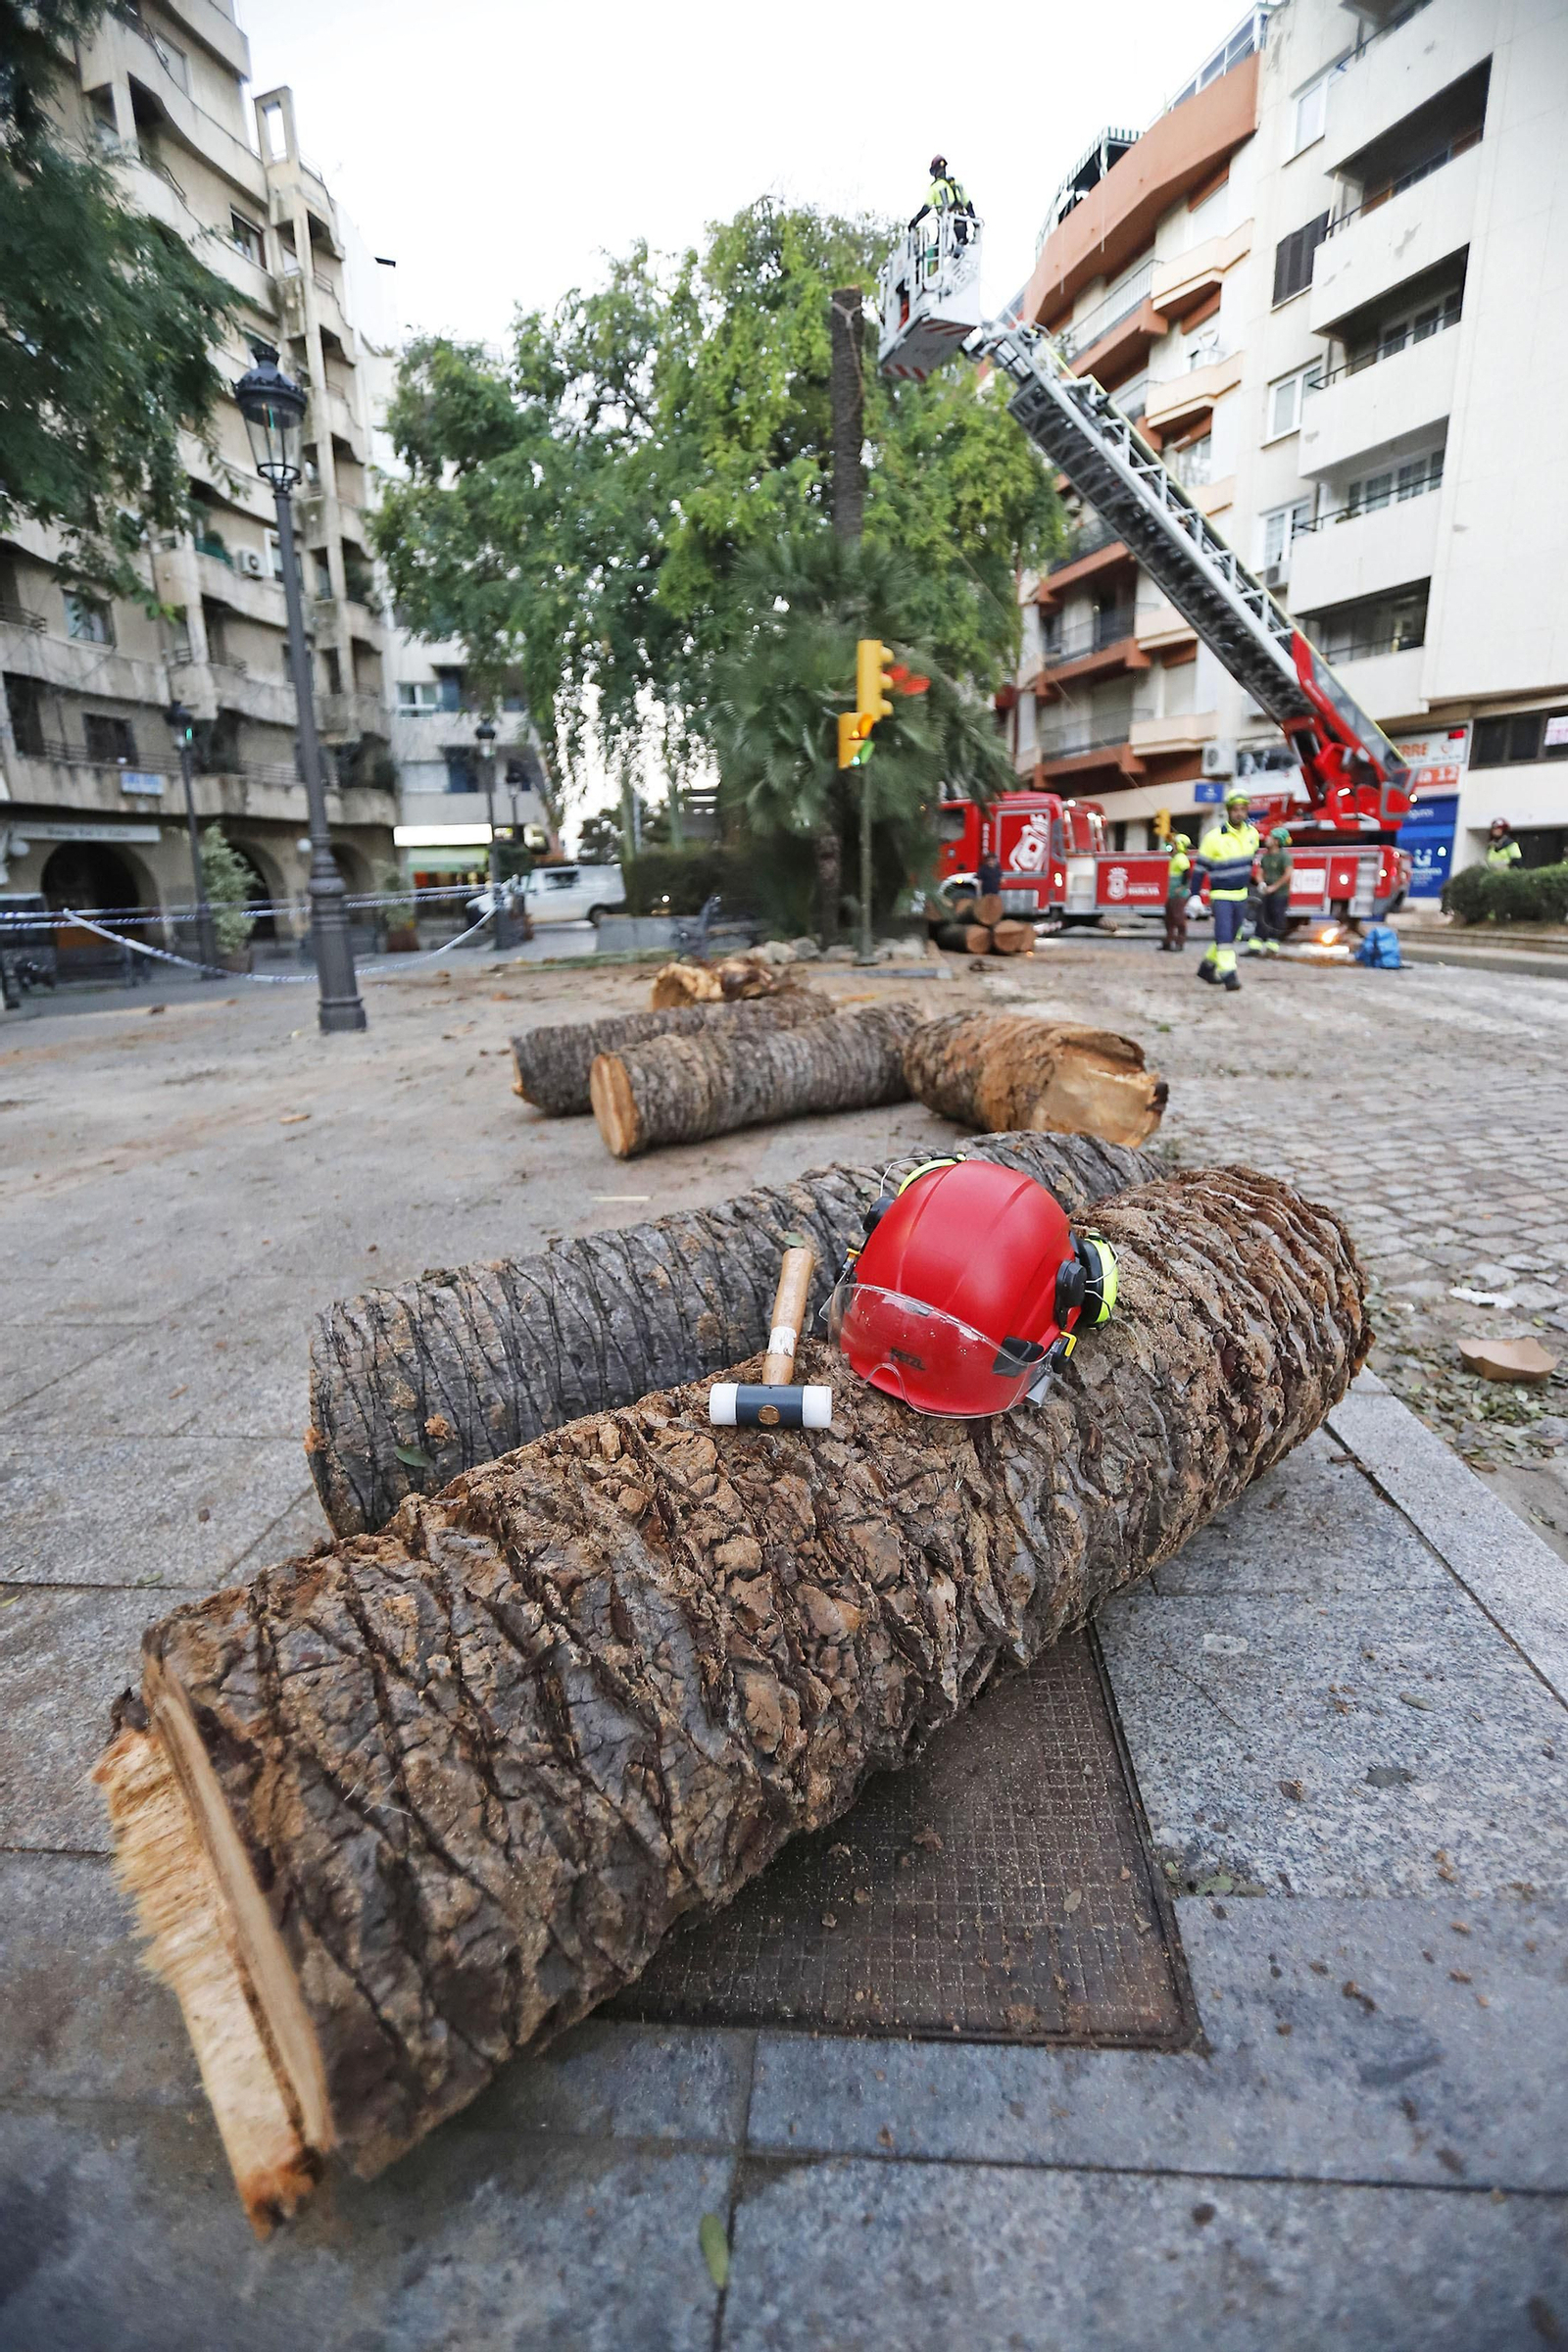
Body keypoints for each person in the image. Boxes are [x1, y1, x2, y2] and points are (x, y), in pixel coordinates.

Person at [1193, 788, 1260, 993]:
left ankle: (1206, 968)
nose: (1239, 813)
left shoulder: (1253, 835)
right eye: (1235, 809)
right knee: (1223, 936)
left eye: (1243, 809)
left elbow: (1251, 862)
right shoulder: (1213, 838)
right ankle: (1229, 974)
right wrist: (1194, 895)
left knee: (1230, 936)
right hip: (1221, 895)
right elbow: (1199, 870)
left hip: (1241, 894)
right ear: (1228, 811)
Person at [1244, 825, 1294, 956]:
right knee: (1261, 918)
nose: (1267, 839)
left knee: (1277, 919)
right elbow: (1260, 872)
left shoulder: (1284, 857)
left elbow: (1287, 875)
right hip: (1266, 893)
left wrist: (1274, 887)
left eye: (1271, 837)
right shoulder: (1266, 856)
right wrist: (1261, 883)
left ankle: (1272, 947)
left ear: (1277, 841)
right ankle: (1255, 947)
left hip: (1280, 894)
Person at [911, 157, 974, 238]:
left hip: (946, 227)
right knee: (961, 246)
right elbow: (969, 205)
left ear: (934, 172)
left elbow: (926, 208)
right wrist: (975, 224)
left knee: (937, 249)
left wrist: (914, 222)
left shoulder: (935, 187)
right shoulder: (956, 183)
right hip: (962, 225)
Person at [1161, 835, 1193, 952]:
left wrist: (1181, 887)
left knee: (1178, 918)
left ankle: (1179, 943)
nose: (1171, 846)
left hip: (1178, 895)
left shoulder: (1181, 858)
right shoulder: (1175, 858)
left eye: (1174, 843)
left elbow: (1187, 873)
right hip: (1172, 894)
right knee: (1169, 918)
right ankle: (1168, 942)